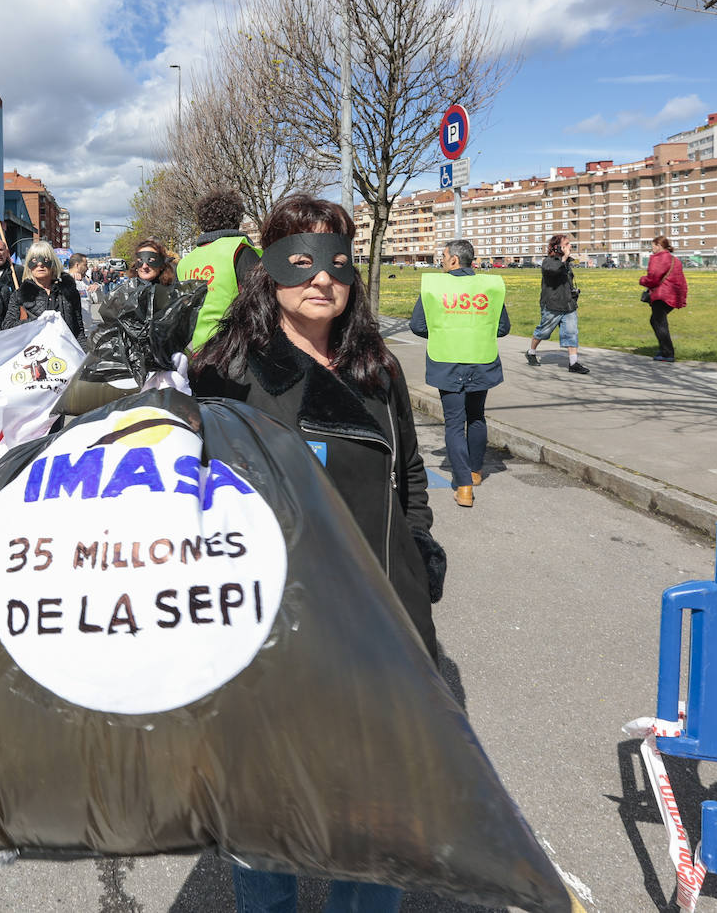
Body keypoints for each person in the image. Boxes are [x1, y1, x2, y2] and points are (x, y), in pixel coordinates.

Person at [193, 194, 443, 913]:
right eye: (299, 260)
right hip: (266, 633)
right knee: (265, 818)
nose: (321, 279)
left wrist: (419, 549)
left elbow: (410, 475)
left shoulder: (378, 369)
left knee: (375, 819)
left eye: (336, 261)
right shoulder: (223, 372)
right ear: (267, 271)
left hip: (377, 624)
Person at [409, 238, 510, 508]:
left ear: (454, 259)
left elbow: (418, 326)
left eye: (443, 256)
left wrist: (445, 332)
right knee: (476, 416)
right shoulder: (489, 286)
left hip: (447, 360)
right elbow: (502, 328)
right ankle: (476, 472)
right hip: (480, 359)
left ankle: (463, 486)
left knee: (454, 422)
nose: (440, 260)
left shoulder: (435, 287)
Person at [176, 190, 262, 351]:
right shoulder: (239, 250)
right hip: (231, 350)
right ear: (237, 219)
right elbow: (263, 302)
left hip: (192, 351)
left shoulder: (184, 263)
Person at [526, 234, 588, 374]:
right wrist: (564, 258)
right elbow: (553, 271)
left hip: (568, 304)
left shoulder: (566, 263)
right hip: (553, 305)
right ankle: (531, 352)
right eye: (567, 244)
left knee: (571, 333)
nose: (570, 246)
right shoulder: (548, 261)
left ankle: (573, 363)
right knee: (543, 331)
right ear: (558, 247)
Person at [17, 241, 84, 339]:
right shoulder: (19, 295)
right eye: (34, 260)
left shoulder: (69, 293)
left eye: (45, 259)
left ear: (53, 262)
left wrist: (84, 353)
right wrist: (37, 322)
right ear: (28, 264)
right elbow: (9, 327)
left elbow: (78, 331)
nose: (40, 264)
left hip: (65, 350)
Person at [639, 235, 688, 363]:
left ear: (659, 246)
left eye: (653, 246)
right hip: (673, 294)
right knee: (656, 321)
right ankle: (663, 349)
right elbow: (681, 280)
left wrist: (642, 280)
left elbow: (653, 278)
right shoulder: (674, 260)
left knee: (659, 322)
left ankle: (668, 353)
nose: (652, 249)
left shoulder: (659, 258)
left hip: (661, 295)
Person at [65, 253, 98, 336]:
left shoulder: (85, 281)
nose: (87, 268)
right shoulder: (64, 280)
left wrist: (97, 287)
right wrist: (68, 279)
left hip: (87, 330)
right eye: (85, 265)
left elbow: (96, 300)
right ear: (77, 265)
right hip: (73, 332)